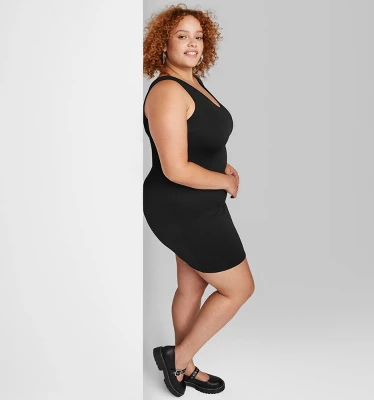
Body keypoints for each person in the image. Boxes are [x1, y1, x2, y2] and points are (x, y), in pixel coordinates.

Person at [143, 4, 255, 397]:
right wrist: (225, 182)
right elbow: (175, 168)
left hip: (198, 202)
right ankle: (176, 357)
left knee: (191, 288)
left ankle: (184, 367)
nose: (193, 43)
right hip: (181, 205)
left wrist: (220, 165)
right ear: (163, 43)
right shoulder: (167, 91)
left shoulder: (192, 82)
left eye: (198, 36)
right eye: (182, 36)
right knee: (238, 289)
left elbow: (198, 140)